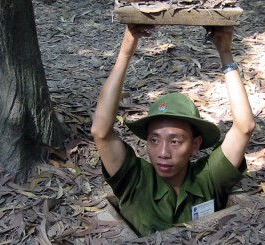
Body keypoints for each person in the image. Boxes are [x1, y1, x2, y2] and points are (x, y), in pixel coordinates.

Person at [91, 24, 255, 237]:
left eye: (175, 141)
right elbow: (100, 131)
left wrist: (226, 54)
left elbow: (244, 127)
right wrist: (125, 54)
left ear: (195, 145)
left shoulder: (209, 178)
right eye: (154, 140)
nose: (163, 153)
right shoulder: (134, 180)